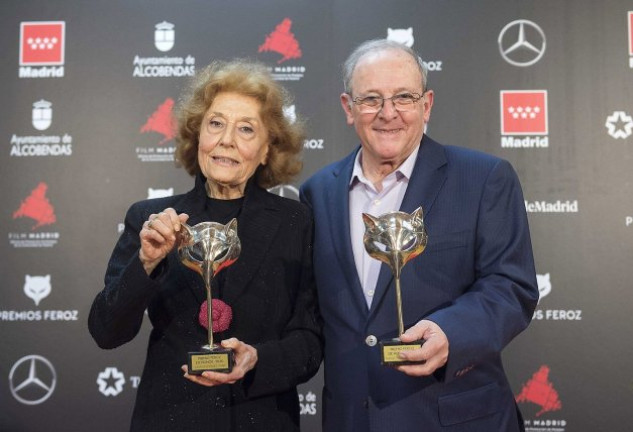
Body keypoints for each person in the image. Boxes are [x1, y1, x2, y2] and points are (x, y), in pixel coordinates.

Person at [300, 39, 538, 431]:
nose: (388, 113)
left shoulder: (483, 178)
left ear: (426, 105)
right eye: (371, 99)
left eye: (404, 98)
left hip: (453, 417)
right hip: (352, 419)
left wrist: (452, 332)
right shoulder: (318, 191)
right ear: (348, 108)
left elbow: (512, 286)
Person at [89, 59, 322, 432]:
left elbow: (310, 340)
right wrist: (146, 263)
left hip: (260, 417)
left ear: (267, 149)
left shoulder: (297, 223)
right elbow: (106, 331)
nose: (226, 139)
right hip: (169, 417)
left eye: (246, 129)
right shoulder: (150, 219)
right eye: (216, 124)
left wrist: (257, 360)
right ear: (198, 135)